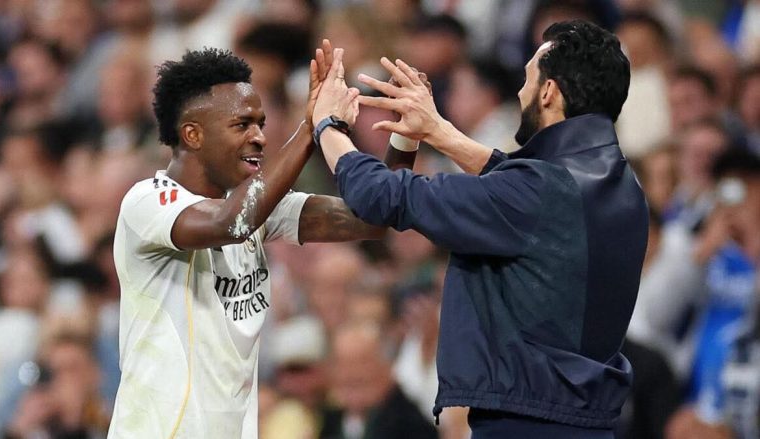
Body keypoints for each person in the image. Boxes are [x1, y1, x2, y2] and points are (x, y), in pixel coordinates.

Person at [311, 20, 648, 438]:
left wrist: (327, 124)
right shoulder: (622, 185)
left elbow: (380, 195)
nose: (520, 93)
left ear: (548, 91)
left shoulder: (535, 193)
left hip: (524, 426)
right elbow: (516, 186)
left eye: (528, 79)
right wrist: (438, 131)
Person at [108, 42, 418, 438]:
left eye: (260, 124)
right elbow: (232, 222)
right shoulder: (147, 202)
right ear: (193, 134)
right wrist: (312, 127)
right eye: (242, 125)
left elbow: (372, 220)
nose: (260, 137)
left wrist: (405, 135)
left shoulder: (257, 210)